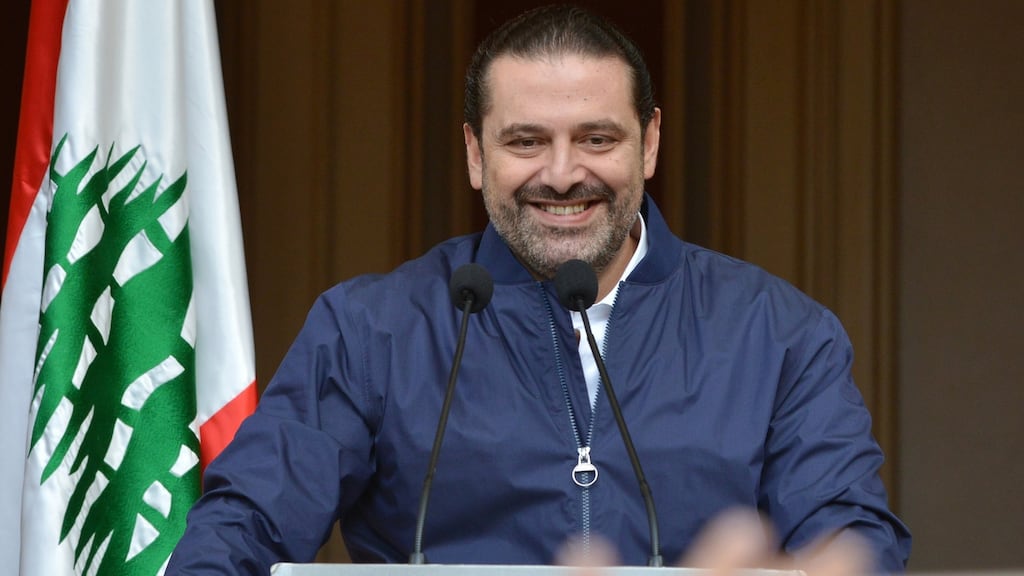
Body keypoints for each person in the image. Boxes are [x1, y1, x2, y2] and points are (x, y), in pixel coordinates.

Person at [167, 4, 911, 574]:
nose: (561, 173)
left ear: (649, 143)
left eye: (597, 138)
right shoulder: (369, 329)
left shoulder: (780, 335)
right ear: (474, 152)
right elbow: (247, 524)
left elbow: (850, 539)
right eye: (526, 141)